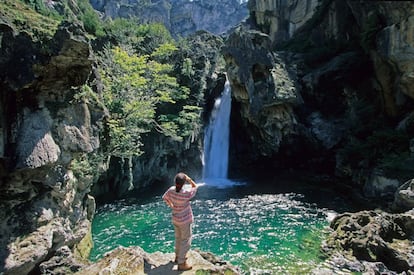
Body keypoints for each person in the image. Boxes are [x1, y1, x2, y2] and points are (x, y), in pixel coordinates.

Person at [162, 172, 198, 271]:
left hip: (175, 219)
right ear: (183, 183)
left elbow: (164, 198)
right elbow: (195, 187)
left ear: (175, 182)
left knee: (178, 238)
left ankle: (177, 257)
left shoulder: (171, 190)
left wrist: (171, 205)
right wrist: (189, 179)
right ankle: (181, 263)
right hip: (185, 220)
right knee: (186, 240)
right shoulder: (186, 193)